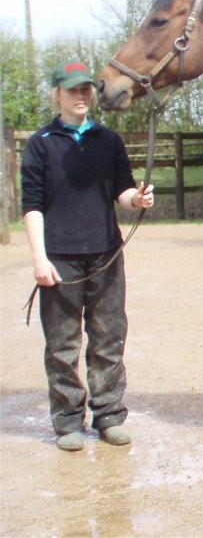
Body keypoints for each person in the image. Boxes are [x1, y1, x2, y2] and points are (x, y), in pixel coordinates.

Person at [21, 60, 154, 452]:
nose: (80, 95)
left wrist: (138, 198)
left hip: (106, 255)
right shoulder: (41, 143)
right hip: (60, 259)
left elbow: (123, 192)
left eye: (85, 89)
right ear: (57, 94)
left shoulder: (108, 140)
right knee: (62, 344)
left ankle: (110, 416)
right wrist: (38, 258)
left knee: (109, 338)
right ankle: (66, 422)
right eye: (72, 89)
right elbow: (31, 205)